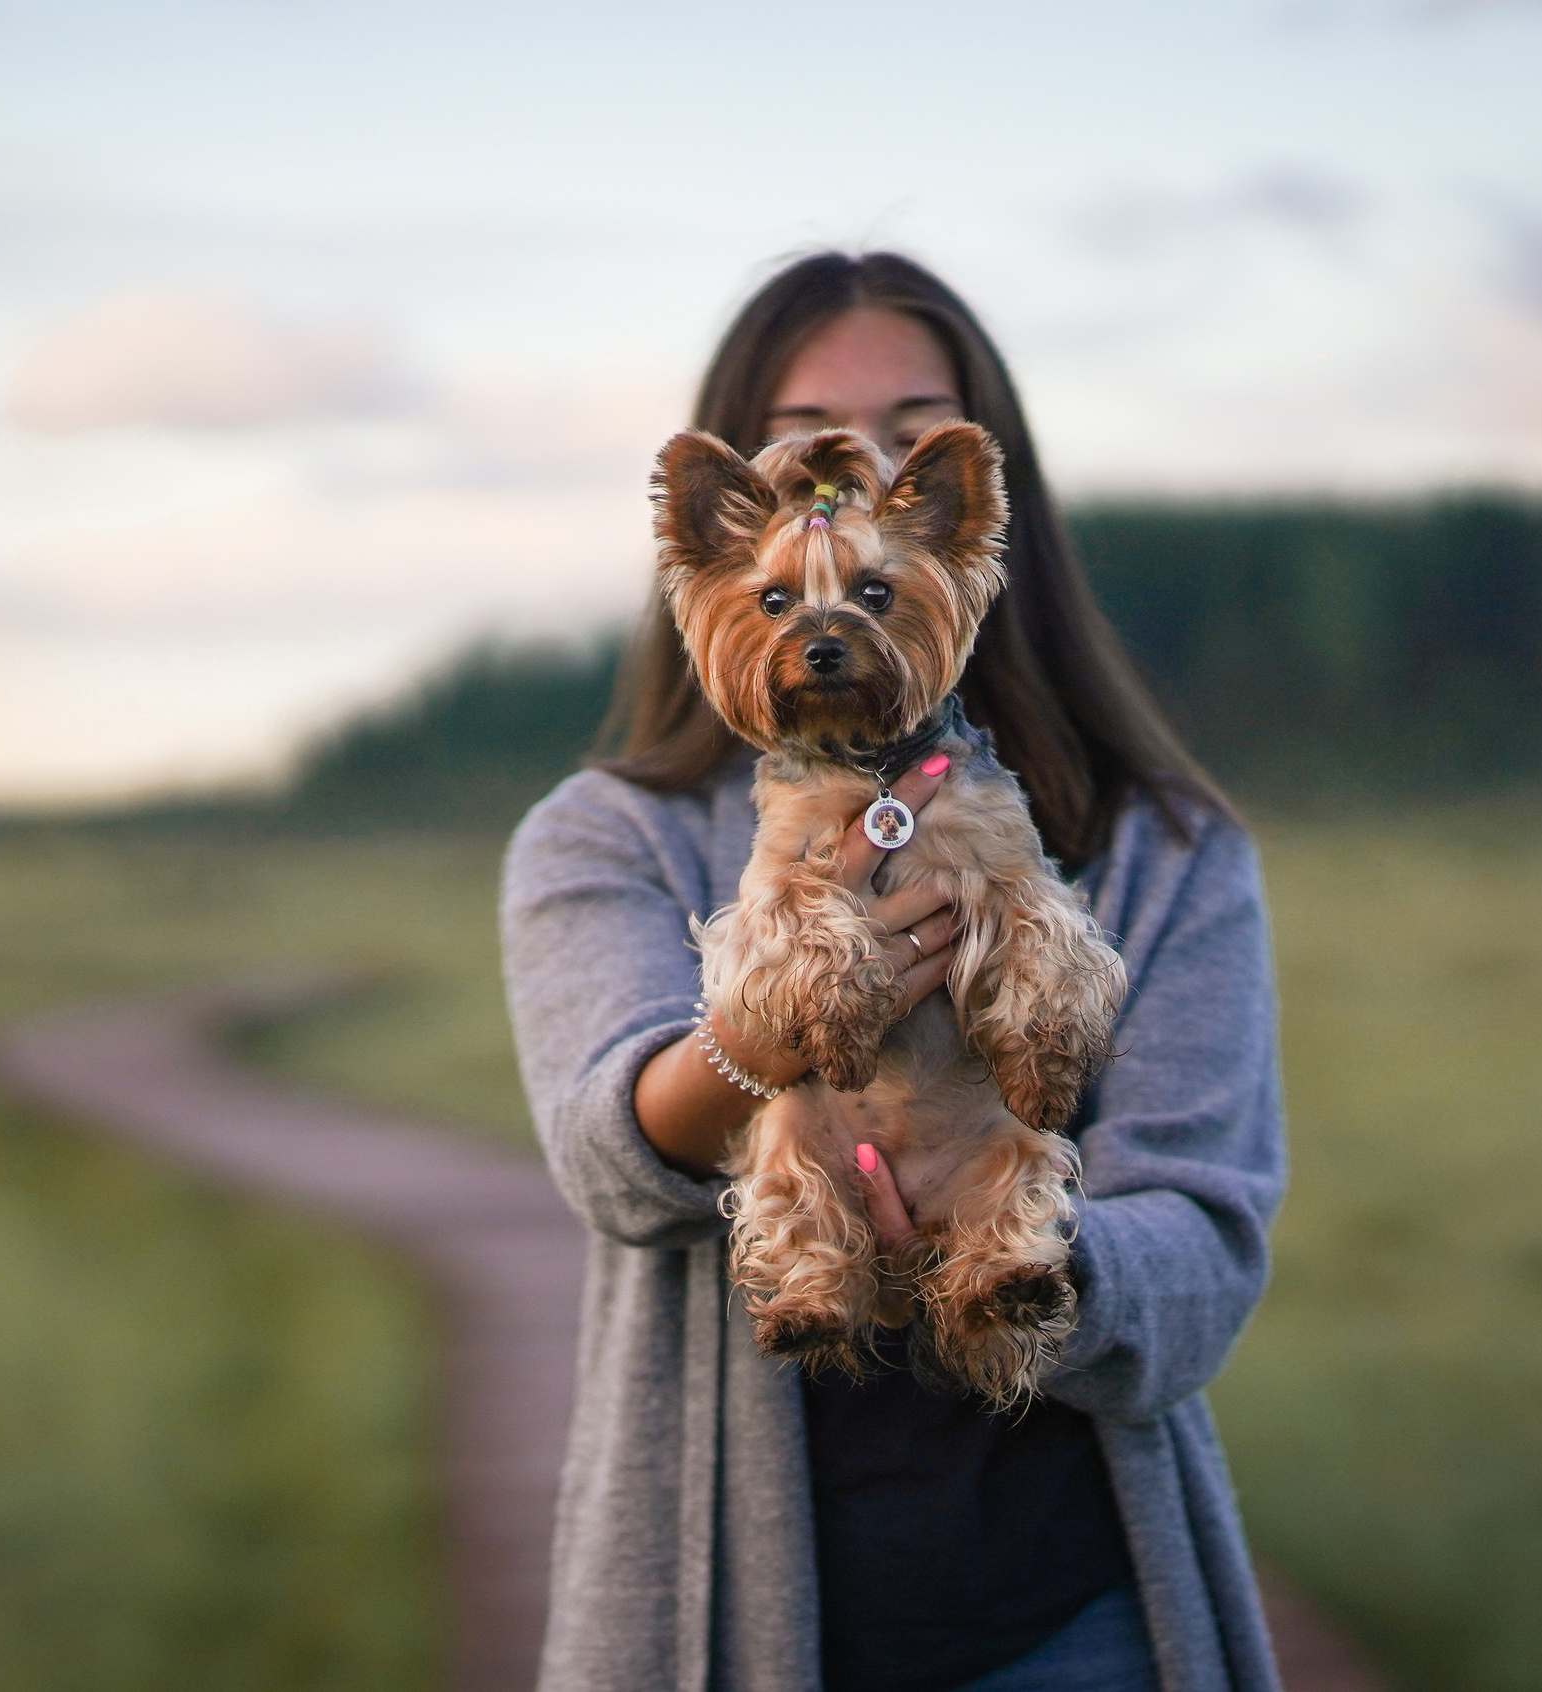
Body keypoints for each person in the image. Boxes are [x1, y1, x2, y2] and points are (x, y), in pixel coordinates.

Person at [501, 252, 1286, 1692]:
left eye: (906, 434)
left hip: (1078, 1615)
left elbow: (1208, 1255)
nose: (853, 471)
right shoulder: (600, 837)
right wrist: (762, 1039)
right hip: (714, 1623)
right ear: (721, 553)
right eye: (810, 438)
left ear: (969, 524)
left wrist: (1010, 1251)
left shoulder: (1173, 847)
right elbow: (606, 1165)